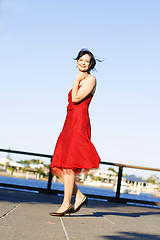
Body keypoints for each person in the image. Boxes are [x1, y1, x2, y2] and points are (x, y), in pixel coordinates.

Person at [50, 49, 100, 216]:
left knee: (69, 165)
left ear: (91, 64)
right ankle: (79, 196)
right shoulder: (79, 78)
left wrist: (76, 79)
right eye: (81, 59)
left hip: (79, 123)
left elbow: (76, 99)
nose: (83, 62)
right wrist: (77, 80)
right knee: (57, 167)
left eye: (87, 60)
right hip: (69, 123)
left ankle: (66, 204)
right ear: (77, 61)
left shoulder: (91, 79)